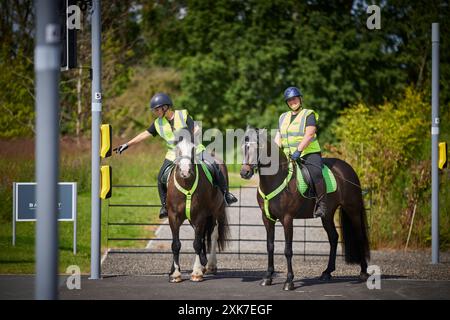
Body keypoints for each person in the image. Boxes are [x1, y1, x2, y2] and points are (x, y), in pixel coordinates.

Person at [114, 92, 237, 219]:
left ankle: (226, 194)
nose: (155, 112)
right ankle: (164, 206)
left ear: (165, 107)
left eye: (157, 110)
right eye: (154, 110)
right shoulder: (158, 123)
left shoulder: (182, 115)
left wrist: (191, 140)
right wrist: (127, 144)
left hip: (193, 148)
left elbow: (195, 128)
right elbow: (144, 134)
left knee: (215, 165)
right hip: (174, 153)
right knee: (161, 176)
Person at [275, 86, 327, 218]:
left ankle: (322, 204)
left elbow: (309, 135)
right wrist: (274, 153)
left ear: (300, 99)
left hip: (308, 153)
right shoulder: (283, 117)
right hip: (287, 155)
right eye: (289, 100)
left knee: (315, 172)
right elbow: (278, 136)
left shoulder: (308, 114)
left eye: (294, 99)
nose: (292, 102)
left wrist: (298, 151)